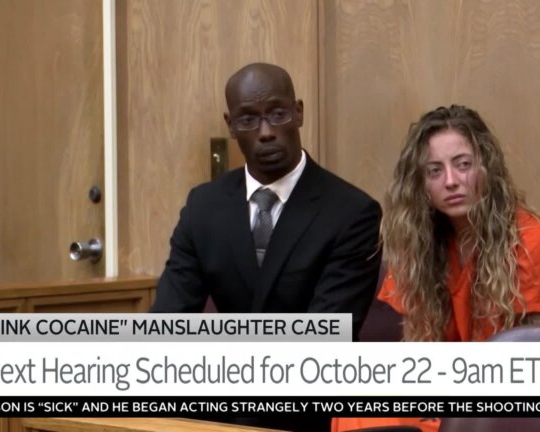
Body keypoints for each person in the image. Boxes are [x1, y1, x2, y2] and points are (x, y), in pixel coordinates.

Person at [150, 63, 382, 432]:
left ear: (299, 112)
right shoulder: (204, 207)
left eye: (277, 113)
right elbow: (166, 326)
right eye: (248, 119)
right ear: (230, 125)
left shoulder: (351, 213)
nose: (266, 132)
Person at [332, 105, 540, 432]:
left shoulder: (532, 244)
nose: (451, 181)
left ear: (487, 169)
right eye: (434, 171)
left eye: (463, 165)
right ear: (420, 184)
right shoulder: (423, 247)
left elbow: (535, 370)